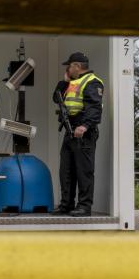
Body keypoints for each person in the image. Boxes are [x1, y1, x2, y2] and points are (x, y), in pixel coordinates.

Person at [51, 52, 104, 217]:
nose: (67, 68)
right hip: (70, 130)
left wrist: (85, 126)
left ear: (77, 66)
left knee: (84, 171)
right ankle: (66, 205)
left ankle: (84, 206)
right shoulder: (72, 83)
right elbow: (56, 97)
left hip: (83, 132)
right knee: (66, 171)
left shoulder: (92, 82)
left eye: (69, 65)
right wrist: (64, 81)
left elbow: (95, 107)